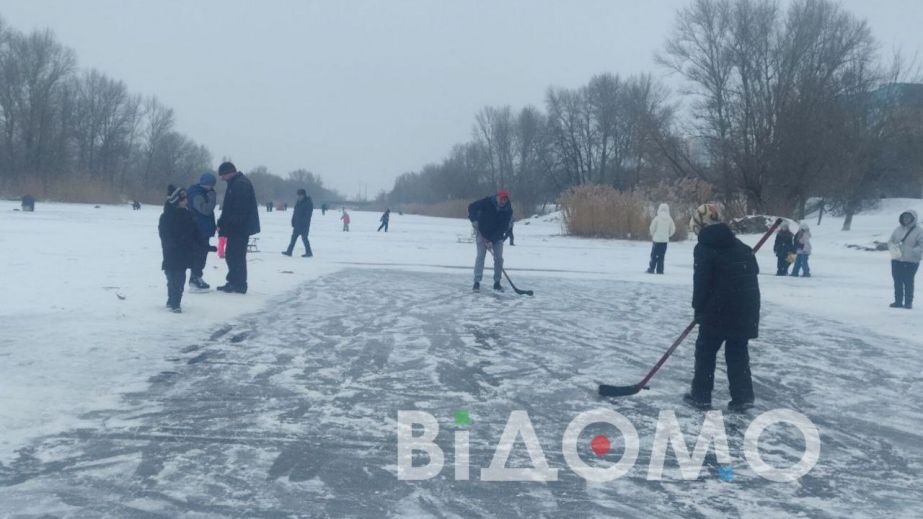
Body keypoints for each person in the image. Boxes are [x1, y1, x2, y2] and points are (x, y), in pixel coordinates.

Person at [684, 204, 759, 413]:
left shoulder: (704, 248)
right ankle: (742, 397)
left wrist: (698, 309)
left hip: (718, 309)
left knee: (706, 350)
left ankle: (700, 396)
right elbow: (753, 271)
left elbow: (701, 282)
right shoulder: (741, 246)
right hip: (746, 308)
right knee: (737, 353)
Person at [216, 162, 260, 294]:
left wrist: (229, 224)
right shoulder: (235, 183)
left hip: (240, 228)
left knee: (236, 256)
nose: (222, 179)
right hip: (236, 227)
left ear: (229, 173)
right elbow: (229, 208)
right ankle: (233, 281)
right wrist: (223, 223)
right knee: (231, 255)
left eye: (222, 175)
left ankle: (239, 284)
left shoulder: (240, 185)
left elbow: (239, 210)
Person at [158, 186, 201, 313]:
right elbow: (164, 234)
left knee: (179, 278)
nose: (186, 201)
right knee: (171, 277)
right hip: (171, 252)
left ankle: (176, 302)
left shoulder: (188, 215)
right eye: (183, 199)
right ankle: (171, 299)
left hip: (183, 253)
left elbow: (195, 233)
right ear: (177, 201)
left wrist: (203, 245)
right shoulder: (166, 216)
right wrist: (171, 243)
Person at [468, 190, 514, 291]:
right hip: (482, 232)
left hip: (497, 236)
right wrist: (474, 220)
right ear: (497, 197)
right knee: (480, 256)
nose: (503, 201)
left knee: (499, 259)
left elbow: (503, 227)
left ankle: (497, 282)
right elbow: (471, 207)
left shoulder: (508, 210)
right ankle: (477, 282)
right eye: (501, 199)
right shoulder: (487, 202)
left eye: (505, 200)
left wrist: (491, 240)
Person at [186, 173, 218, 290]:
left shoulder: (200, 192)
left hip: (201, 229)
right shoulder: (197, 194)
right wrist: (212, 199)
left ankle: (197, 277)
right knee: (199, 255)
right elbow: (206, 210)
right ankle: (194, 279)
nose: (211, 187)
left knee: (201, 254)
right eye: (211, 185)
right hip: (199, 230)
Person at [888, 210, 923, 309]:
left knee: (908, 281)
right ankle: (898, 301)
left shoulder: (919, 231)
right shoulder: (898, 229)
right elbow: (891, 241)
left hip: (911, 260)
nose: (906, 219)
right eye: (904, 217)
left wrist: (913, 251)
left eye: (908, 217)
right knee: (897, 281)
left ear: (913, 218)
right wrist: (892, 247)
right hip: (897, 259)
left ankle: (908, 302)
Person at [283, 189, 314, 257]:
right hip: (297, 224)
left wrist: (303, 223)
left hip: (304, 225)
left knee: (304, 238)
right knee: (293, 238)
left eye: (300, 195)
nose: (298, 197)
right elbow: (295, 212)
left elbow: (308, 215)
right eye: (298, 195)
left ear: (303, 195)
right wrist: (293, 220)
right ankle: (289, 251)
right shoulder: (298, 202)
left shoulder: (308, 203)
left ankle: (309, 252)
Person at [647, 203, 676, 274]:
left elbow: (652, 228)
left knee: (654, 255)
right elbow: (673, 229)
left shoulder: (657, 218)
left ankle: (651, 269)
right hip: (664, 241)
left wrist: (652, 234)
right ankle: (660, 270)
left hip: (656, 240)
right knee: (661, 256)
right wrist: (668, 235)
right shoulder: (670, 219)